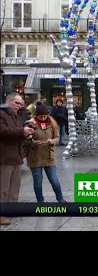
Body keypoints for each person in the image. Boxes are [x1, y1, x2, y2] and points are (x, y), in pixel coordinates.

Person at [0, 93, 35, 226]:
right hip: (4, 157)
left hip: (16, 156)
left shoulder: (15, 115)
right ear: (8, 101)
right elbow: (3, 131)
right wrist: (22, 131)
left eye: (21, 104)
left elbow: (17, 131)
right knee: (3, 188)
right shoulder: (2, 114)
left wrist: (26, 134)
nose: (19, 106)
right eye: (16, 103)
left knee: (14, 188)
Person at [24, 104, 67, 203]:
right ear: (36, 116)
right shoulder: (30, 124)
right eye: (40, 117)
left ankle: (60, 199)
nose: (43, 118)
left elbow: (56, 137)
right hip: (35, 156)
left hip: (49, 155)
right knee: (38, 181)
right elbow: (25, 140)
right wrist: (33, 142)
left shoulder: (51, 122)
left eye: (45, 116)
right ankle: (40, 202)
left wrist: (53, 141)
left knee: (54, 179)